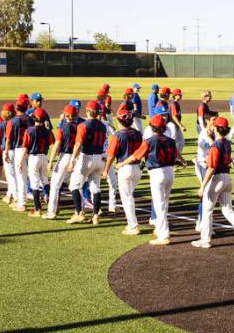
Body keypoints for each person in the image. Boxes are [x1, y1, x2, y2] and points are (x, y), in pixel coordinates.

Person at [116, 113, 185, 246]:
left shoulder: (149, 141)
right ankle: (160, 228)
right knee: (164, 202)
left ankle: (163, 235)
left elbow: (136, 156)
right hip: (170, 172)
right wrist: (183, 161)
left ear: (152, 127)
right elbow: (177, 154)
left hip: (157, 173)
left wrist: (122, 163)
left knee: (159, 204)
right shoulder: (170, 140)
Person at [193, 117, 234, 251]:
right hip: (227, 178)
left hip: (216, 179)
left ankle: (205, 240)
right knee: (228, 210)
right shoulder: (227, 142)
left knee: (207, 210)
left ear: (216, 128)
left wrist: (203, 185)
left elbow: (211, 168)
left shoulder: (216, 145)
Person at [65, 99, 109, 225]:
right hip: (99, 158)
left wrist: (72, 160)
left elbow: (78, 144)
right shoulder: (102, 125)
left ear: (88, 111)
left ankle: (79, 213)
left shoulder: (83, 125)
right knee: (96, 188)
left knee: (74, 185)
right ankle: (95, 216)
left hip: (87, 157)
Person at [102, 107, 144, 235]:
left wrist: (105, 170)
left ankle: (133, 226)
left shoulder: (118, 135)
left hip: (125, 168)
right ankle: (132, 224)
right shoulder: (138, 133)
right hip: (137, 169)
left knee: (127, 198)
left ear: (120, 121)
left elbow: (111, 156)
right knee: (129, 196)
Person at [44, 103, 82, 219]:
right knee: (76, 185)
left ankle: (52, 211)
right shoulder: (80, 127)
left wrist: (50, 161)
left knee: (55, 185)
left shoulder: (62, 128)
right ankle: (80, 211)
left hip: (65, 156)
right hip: (77, 157)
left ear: (66, 114)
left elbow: (56, 146)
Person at [23, 108, 53, 217]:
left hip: (33, 158)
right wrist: (48, 129)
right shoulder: (46, 131)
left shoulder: (29, 130)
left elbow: (25, 147)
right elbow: (50, 142)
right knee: (45, 180)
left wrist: (21, 161)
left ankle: (37, 209)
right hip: (44, 157)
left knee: (34, 182)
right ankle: (51, 204)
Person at [9, 101, 31, 212]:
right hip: (30, 150)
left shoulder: (13, 121)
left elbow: (8, 138)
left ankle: (21, 203)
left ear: (17, 108)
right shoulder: (30, 119)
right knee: (29, 176)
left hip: (19, 150)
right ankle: (22, 200)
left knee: (21, 177)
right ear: (26, 107)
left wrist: (7, 151)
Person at [170, 88, 186, 152]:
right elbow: (174, 117)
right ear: (175, 95)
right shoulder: (173, 104)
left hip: (176, 125)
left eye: (180, 95)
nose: (181, 96)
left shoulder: (177, 103)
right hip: (173, 125)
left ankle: (176, 157)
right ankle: (171, 157)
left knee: (181, 142)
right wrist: (181, 126)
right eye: (179, 95)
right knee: (173, 142)